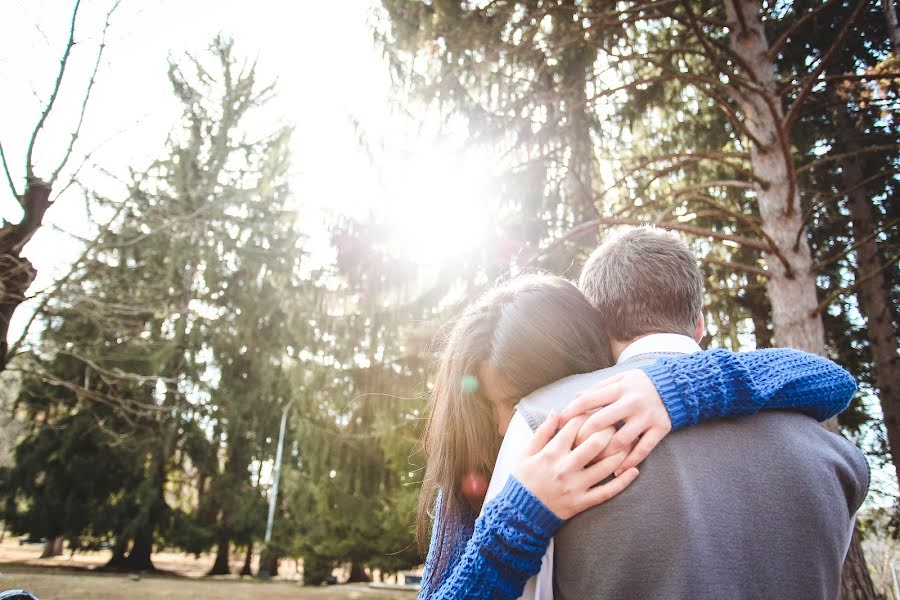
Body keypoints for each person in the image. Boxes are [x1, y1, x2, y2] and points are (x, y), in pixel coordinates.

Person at [418, 252, 860, 597]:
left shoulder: (622, 408)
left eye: (518, 402)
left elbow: (833, 381)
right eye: (490, 407)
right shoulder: (470, 471)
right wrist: (516, 521)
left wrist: (676, 388)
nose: (501, 426)